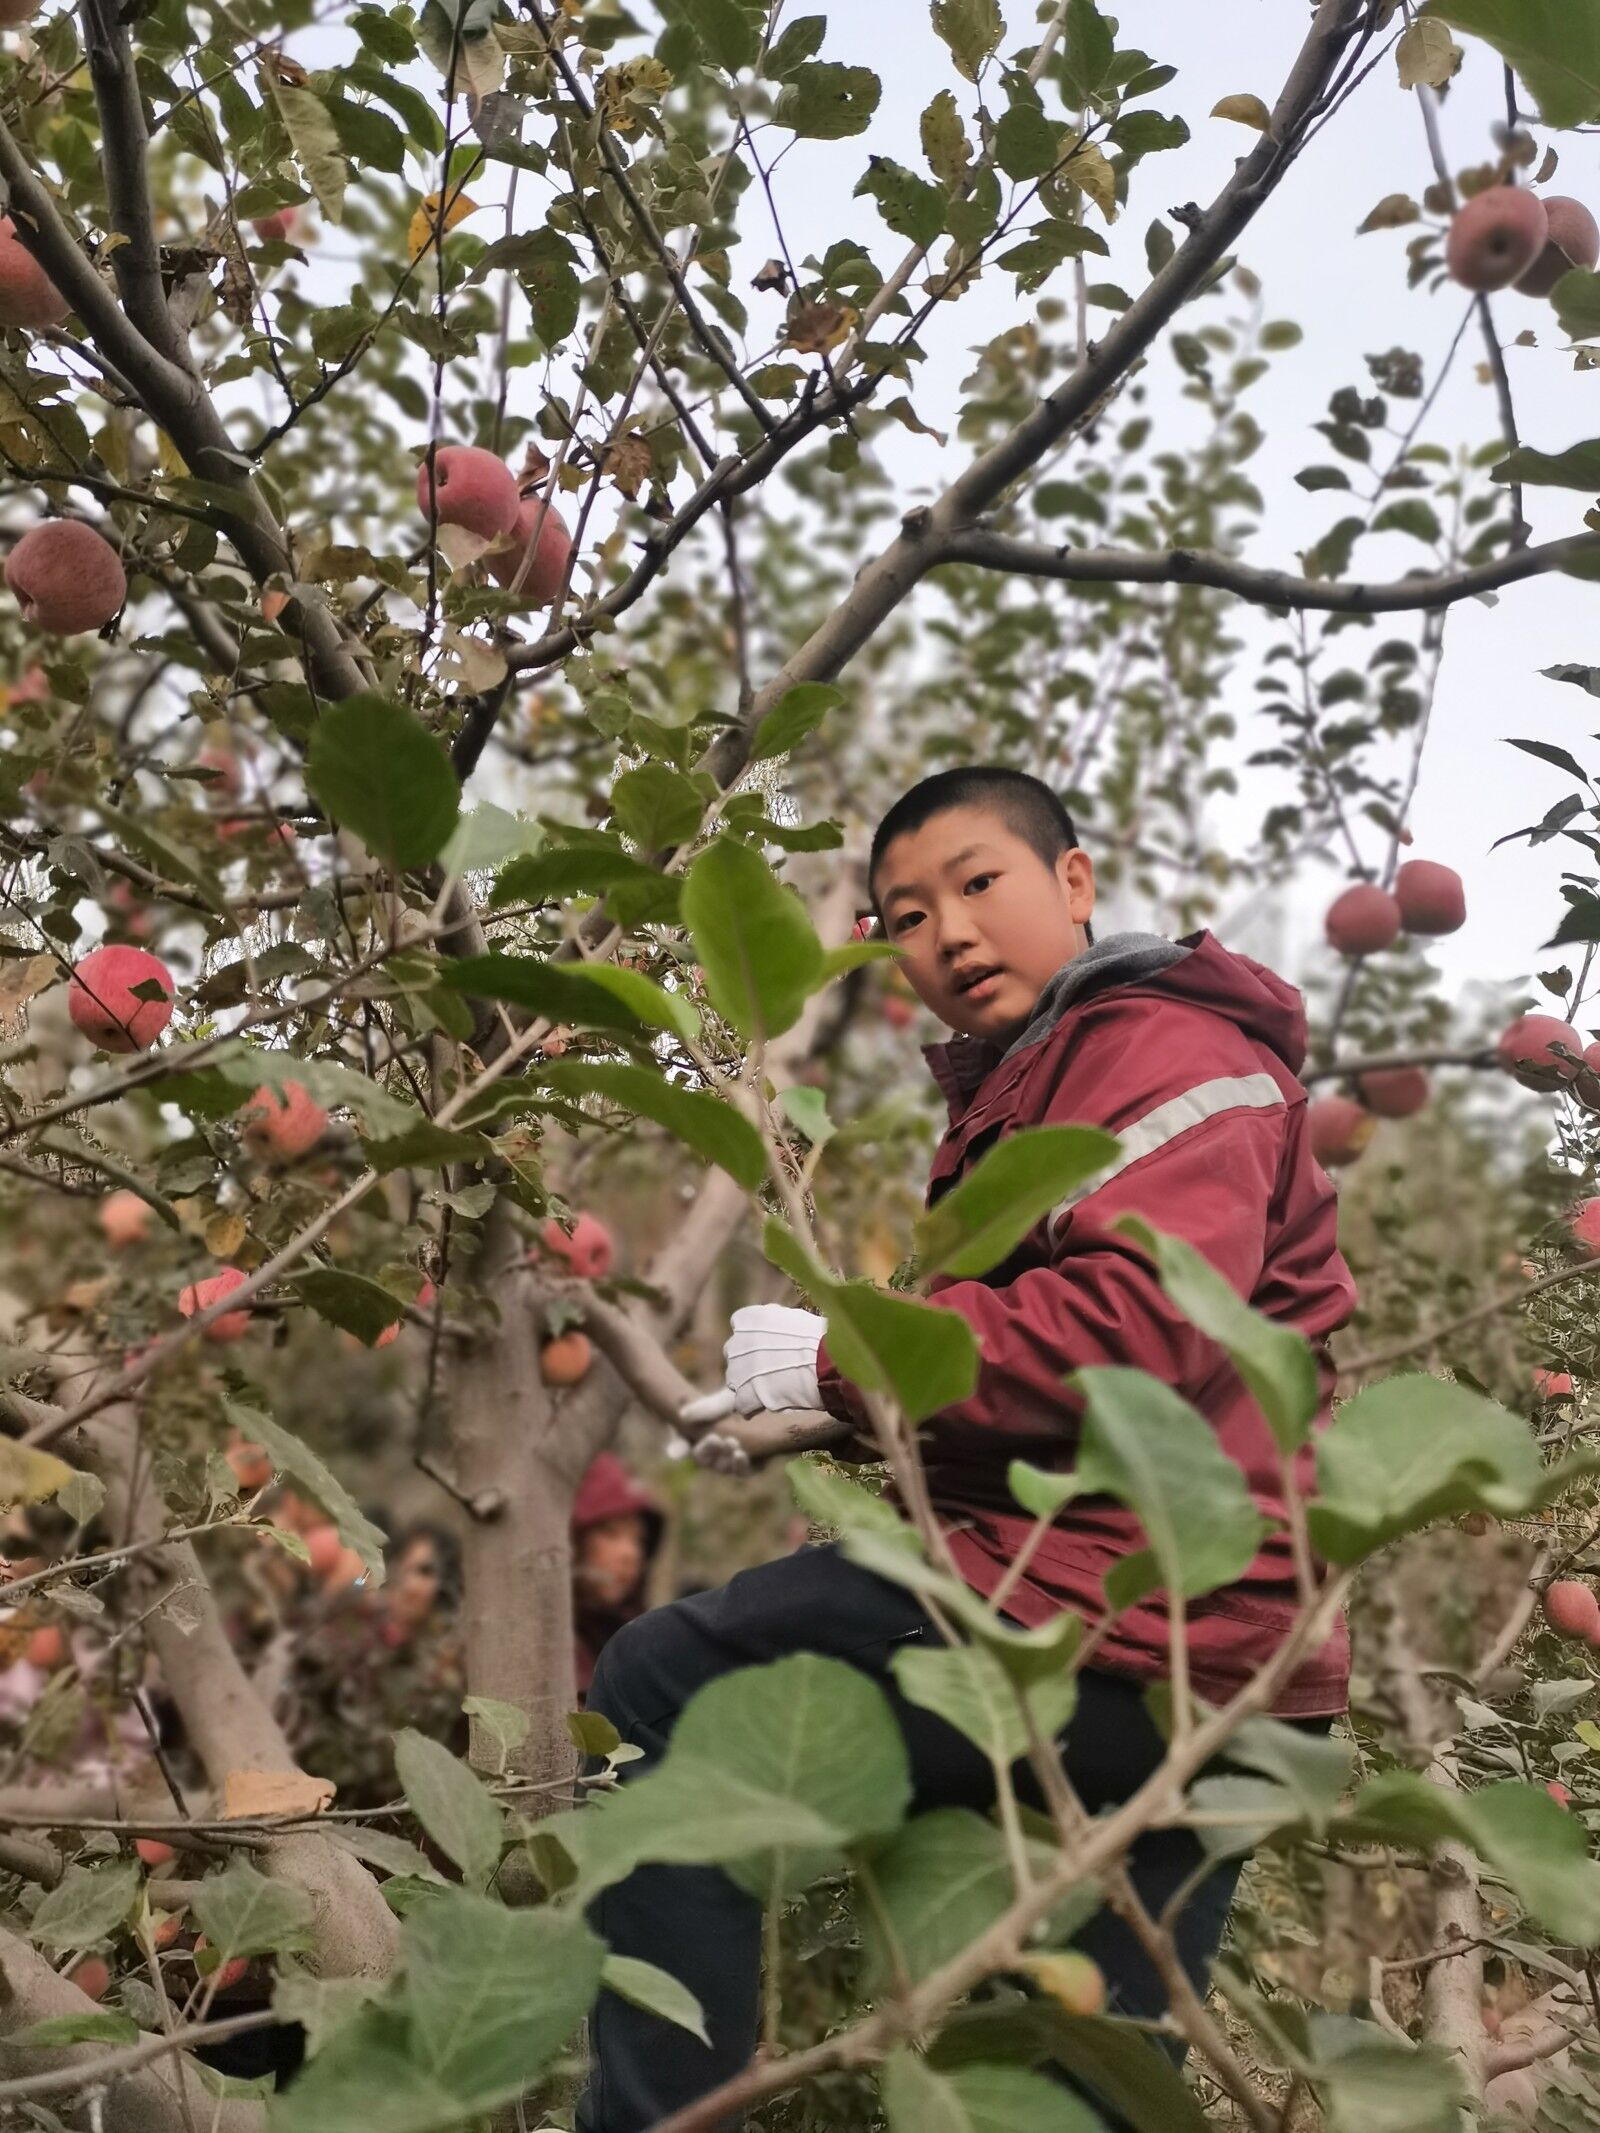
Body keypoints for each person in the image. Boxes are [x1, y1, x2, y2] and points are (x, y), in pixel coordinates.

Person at [577, 766, 1356, 2133]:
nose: (946, 932)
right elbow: (1076, 1374)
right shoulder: (1049, 1076)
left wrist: (845, 1354)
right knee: (1076, 2084)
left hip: (1125, 1617)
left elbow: (1139, 1328)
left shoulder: (1155, 1050)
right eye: (904, 917)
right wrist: (840, 1418)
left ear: (1075, 880)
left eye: (977, 883)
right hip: (1236, 1666)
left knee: (665, 1685)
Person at [571, 1452, 663, 1702]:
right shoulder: (534, 1643)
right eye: (610, 1533)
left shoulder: (640, 1650)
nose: (630, 1554)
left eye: (639, 1540)